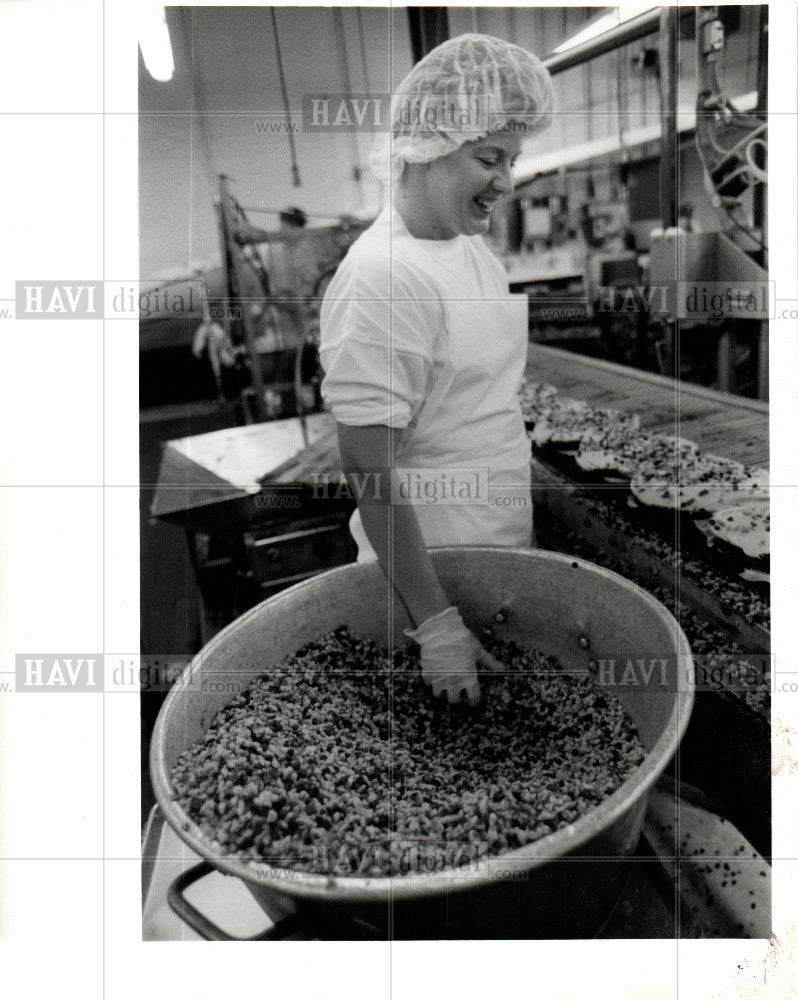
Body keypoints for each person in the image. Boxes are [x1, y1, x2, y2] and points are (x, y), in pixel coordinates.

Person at [319, 34, 554, 706]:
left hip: (495, 555)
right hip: (425, 595)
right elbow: (370, 468)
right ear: (427, 148)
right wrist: (439, 625)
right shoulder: (383, 279)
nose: (506, 181)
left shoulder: (466, 247)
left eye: (512, 158)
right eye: (490, 157)